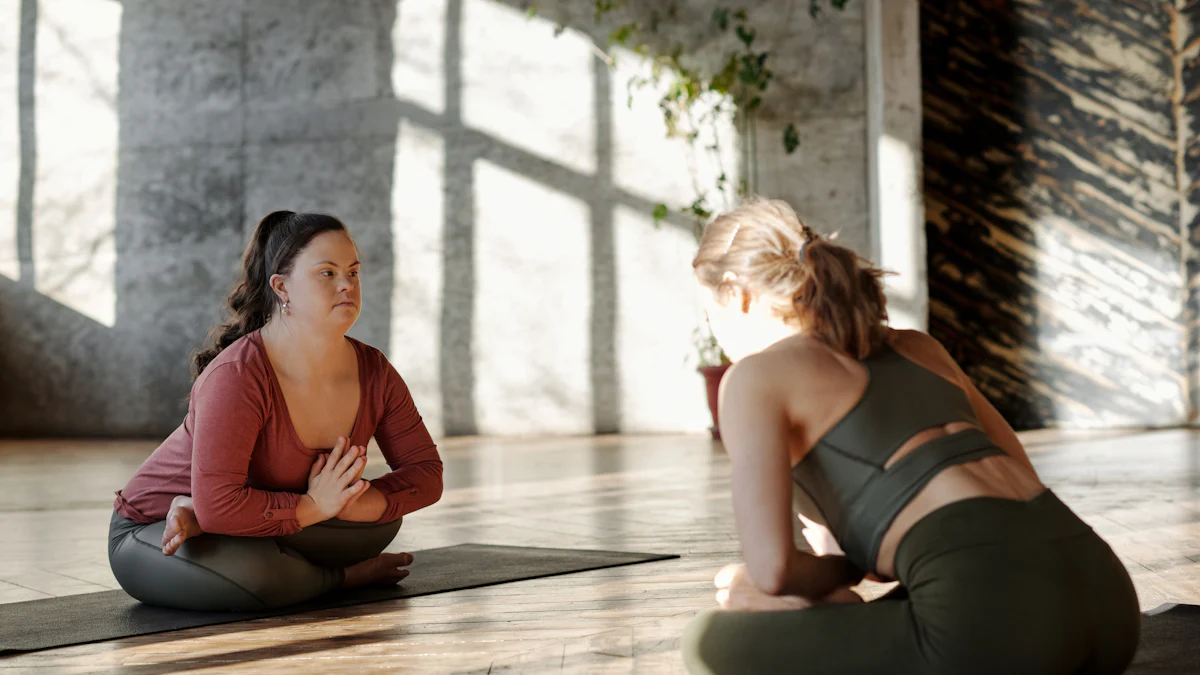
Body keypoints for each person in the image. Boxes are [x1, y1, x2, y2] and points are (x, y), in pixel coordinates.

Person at [680, 199, 1140, 674]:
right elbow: (1019, 471)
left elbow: (772, 571)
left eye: (709, 313)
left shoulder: (753, 379)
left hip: (1000, 627)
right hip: (1108, 602)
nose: (715, 333)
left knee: (707, 641)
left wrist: (837, 573)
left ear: (736, 293)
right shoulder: (920, 346)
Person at [108, 211, 443, 612]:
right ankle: (342, 578)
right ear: (282, 287)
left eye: (353, 273)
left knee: (382, 520)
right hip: (152, 530)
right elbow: (221, 504)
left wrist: (356, 503)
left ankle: (243, 534)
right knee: (260, 573)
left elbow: (425, 473)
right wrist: (316, 508)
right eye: (327, 273)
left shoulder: (375, 370)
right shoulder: (238, 375)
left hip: (239, 515)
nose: (346, 285)